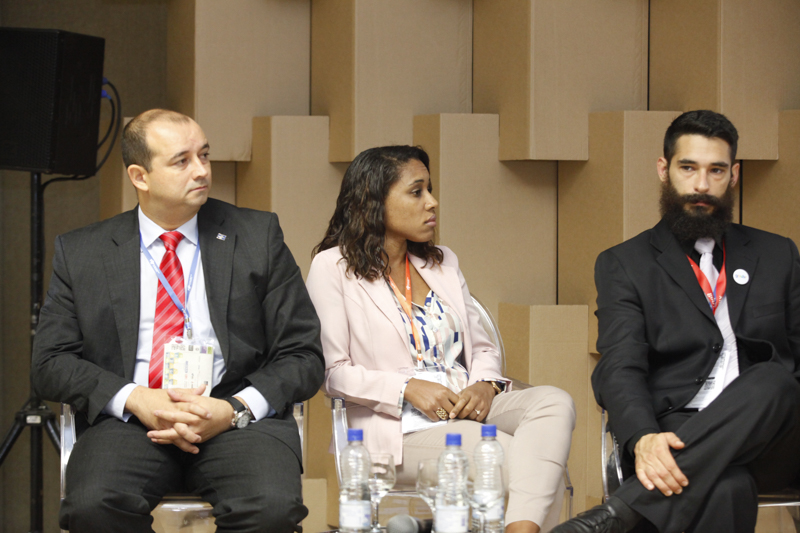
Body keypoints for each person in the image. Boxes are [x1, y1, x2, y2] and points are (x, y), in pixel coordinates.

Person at [31, 109, 325, 533]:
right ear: (140, 176)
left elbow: (303, 355)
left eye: (204, 155)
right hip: (131, 421)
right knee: (94, 507)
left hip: (235, 418)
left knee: (271, 510)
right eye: (181, 161)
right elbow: (50, 363)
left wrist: (233, 409)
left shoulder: (256, 236)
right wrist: (136, 398)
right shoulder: (83, 253)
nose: (202, 170)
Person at [305, 145, 576, 533]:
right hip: (397, 430)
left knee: (553, 402)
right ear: (374, 201)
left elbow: (483, 347)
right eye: (417, 192)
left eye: (430, 190)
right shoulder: (332, 267)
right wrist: (408, 388)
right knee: (521, 463)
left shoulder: (442, 262)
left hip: (465, 406)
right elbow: (331, 373)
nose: (432, 202)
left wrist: (485, 385)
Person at [553, 110, 800, 533]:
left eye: (716, 170)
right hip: (679, 427)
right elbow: (620, 364)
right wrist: (643, 437)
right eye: (688, 168)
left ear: (734, 175)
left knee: (774, 379)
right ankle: (622, 514)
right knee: (725, 487)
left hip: (773, 436)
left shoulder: (778, 254)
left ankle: (620, 513)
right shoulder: (625, 263)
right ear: (664, 170)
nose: (702, 185)